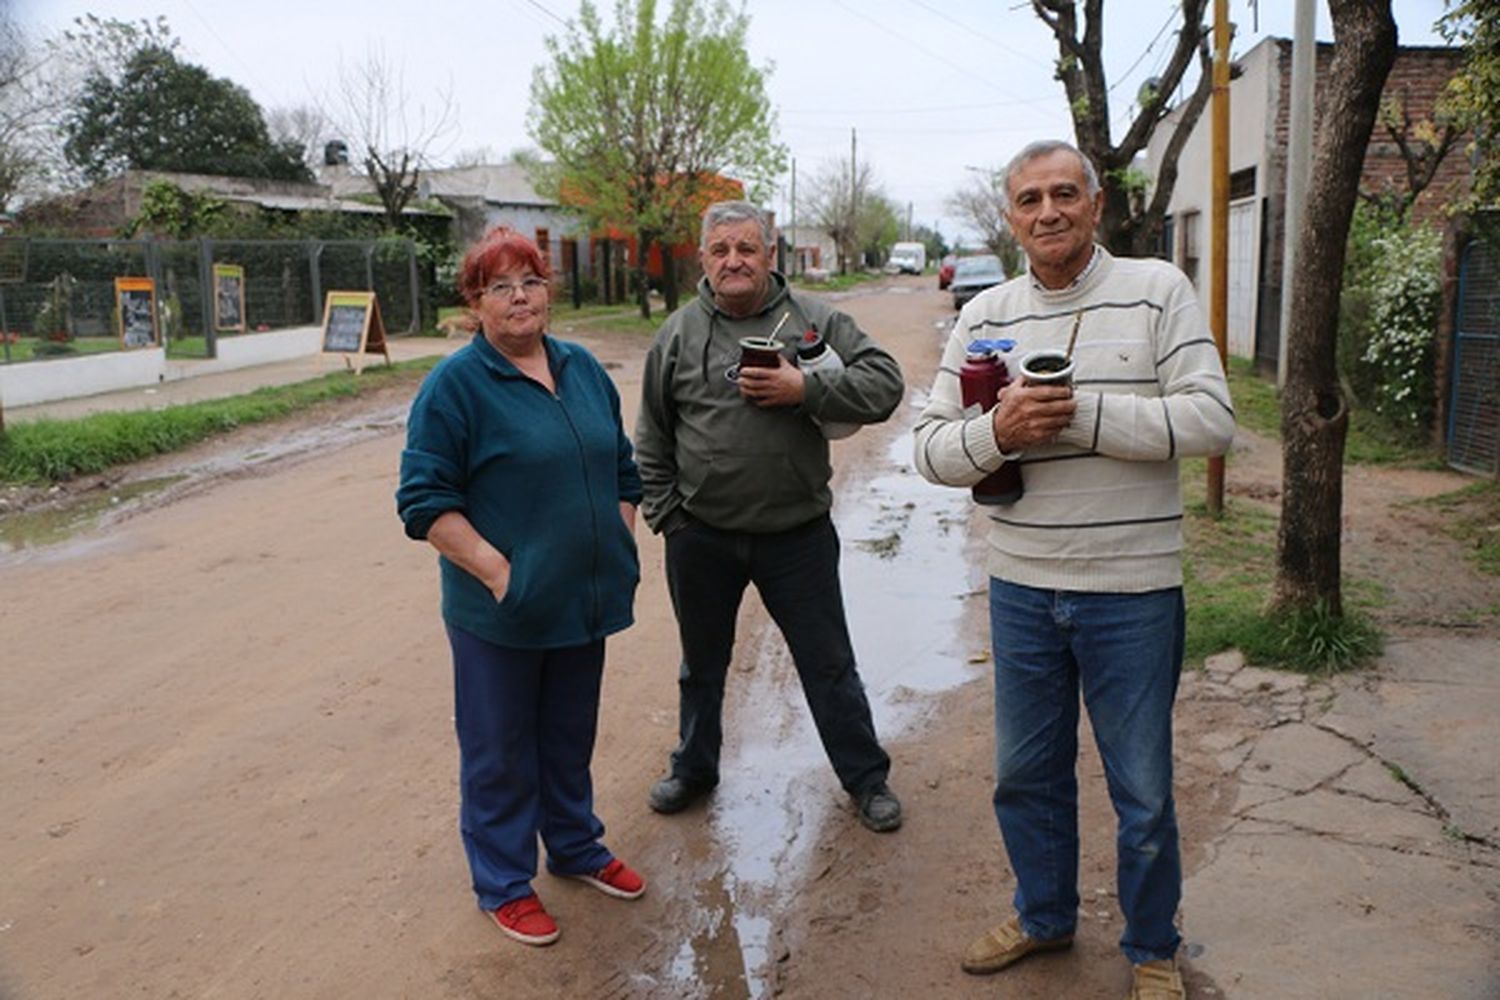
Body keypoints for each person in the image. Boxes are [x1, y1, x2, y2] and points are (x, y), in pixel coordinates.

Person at [913, 140, 1235, 1000]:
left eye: (1064, 194)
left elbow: (1211, 421)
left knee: (1143, 788)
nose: (1048, 211)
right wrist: (1000, 435)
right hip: (1021, 585)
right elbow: (930, 449)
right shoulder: (983, 316)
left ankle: (1153, 947)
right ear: (1009, 217)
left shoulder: (1158, 290)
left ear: (1096, 205)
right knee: (1026, 774)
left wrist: (1082, 415)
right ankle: (1044, 916)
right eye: (1029, 199)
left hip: (1132, 588)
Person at [396, 226, 646, 948]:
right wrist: (504, 576)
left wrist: (614, 534)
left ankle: (574, 847)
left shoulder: (580, 367)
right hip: (499, 613)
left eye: (530, 281)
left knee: (568, 738)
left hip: (584, 600)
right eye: (499, 286)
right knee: (500, 750)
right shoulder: (455, 386)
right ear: (474, 303)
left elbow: (622, 469)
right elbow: (424, 503)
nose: (518, 298)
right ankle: (504, 882)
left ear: (548, 291)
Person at [634, 200, 906, 833]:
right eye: (722, 249)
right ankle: (694, 770)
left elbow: (886, 385)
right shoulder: (676, 333)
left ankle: (866, 779)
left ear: (770, 254)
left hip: (797, 536)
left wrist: (804, 389)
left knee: (828, 663)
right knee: (700, 666)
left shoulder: (811, 319)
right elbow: (652, 434)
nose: (734, 261)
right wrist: (669, 516)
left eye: (747, 248)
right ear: (702, 258)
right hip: (701, 535)